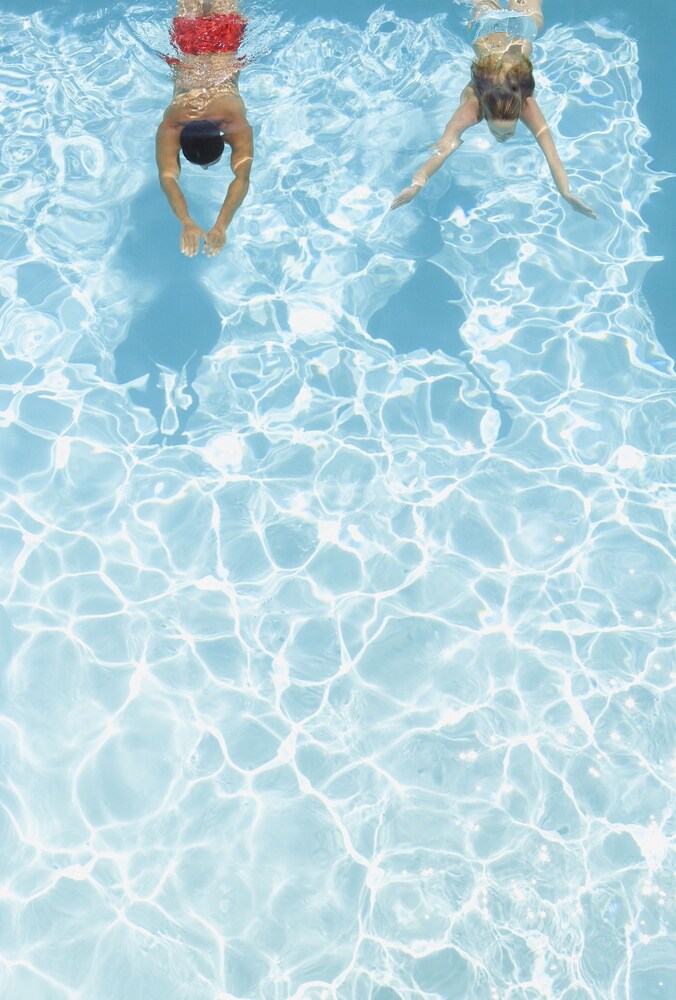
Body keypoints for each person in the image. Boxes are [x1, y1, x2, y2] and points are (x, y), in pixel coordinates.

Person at [391, 0, 597, 219]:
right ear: (485, 115)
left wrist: (566, 193)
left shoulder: (525, 105)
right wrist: (417, 184)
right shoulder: (472, 107)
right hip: (519, 27)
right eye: (502, 133)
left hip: (487, 28)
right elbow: (445, 146)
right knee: (531, 16)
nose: (502, 138)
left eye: (505, 133)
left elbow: (552, 155)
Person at [156, 0, 254, 256]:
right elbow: (167, 178)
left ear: (224, 140)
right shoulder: (171, 125)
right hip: (188, 47)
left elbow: (242, 178)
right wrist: (186, 221)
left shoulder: (234, 123)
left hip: (225, 46)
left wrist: (221, 226)